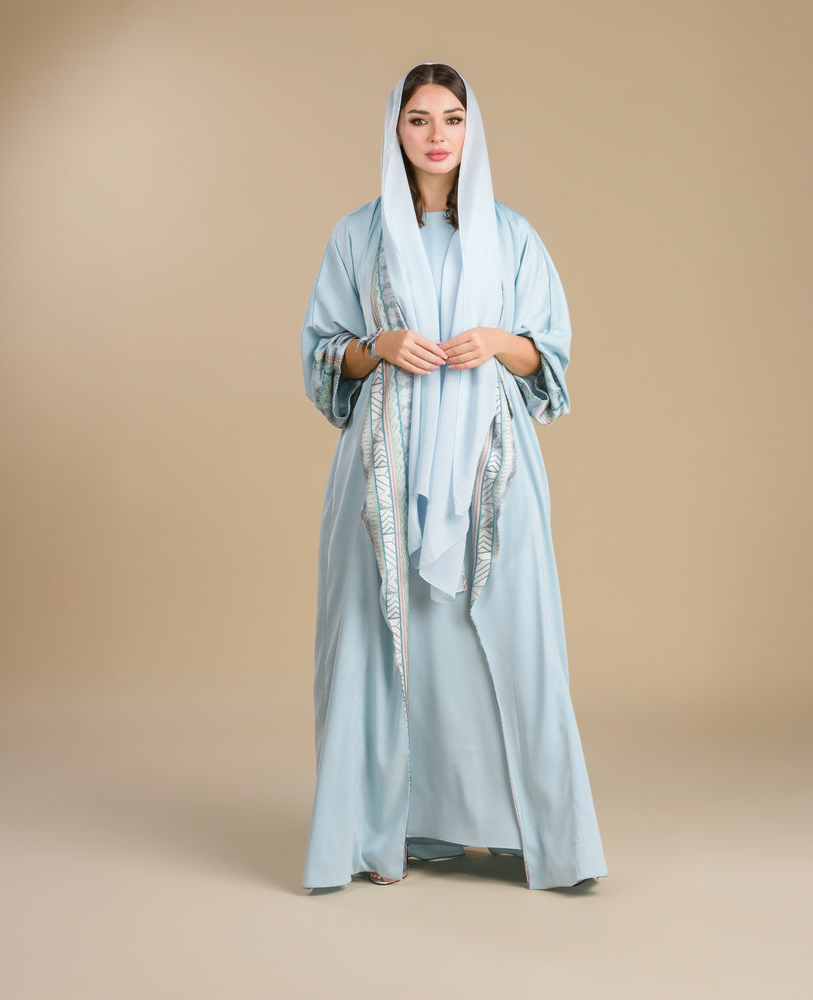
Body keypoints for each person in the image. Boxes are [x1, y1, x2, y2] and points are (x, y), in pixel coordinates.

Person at [298, 62, 608, 890]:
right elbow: (324, 355)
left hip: (489, 466)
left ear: (472, 130)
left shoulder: (511, 234)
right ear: (395, 130)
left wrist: (497, 342)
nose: (436, 135)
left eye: (452, 119)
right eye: (418, 119)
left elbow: (548, 359)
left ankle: (522, 832)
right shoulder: (357, 236)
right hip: (385, 466)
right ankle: (388, 830)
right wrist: (378, 346)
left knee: (507, 637)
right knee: (379, 640)